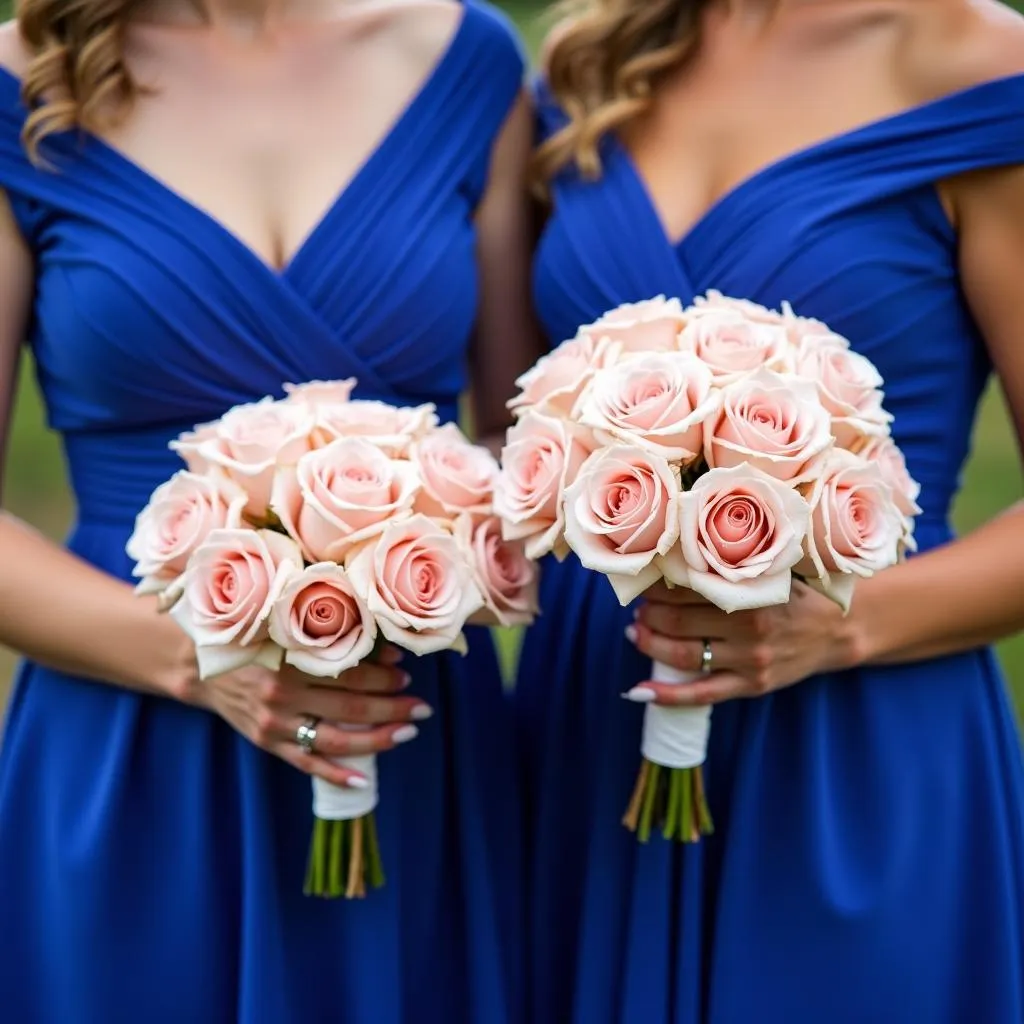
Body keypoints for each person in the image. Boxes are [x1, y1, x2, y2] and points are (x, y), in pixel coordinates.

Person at [0, 0, 537, 1020]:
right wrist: (201, 660)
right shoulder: (22, 83)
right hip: (131, 738)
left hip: (406, 739)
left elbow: (519, 447)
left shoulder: (463, 61)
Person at [518, 0, 1024, 1020]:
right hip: (587, 724)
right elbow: (513, 424)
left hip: (853, 734)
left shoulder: (978, 64)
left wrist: (835, 626)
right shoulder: (590, 61)